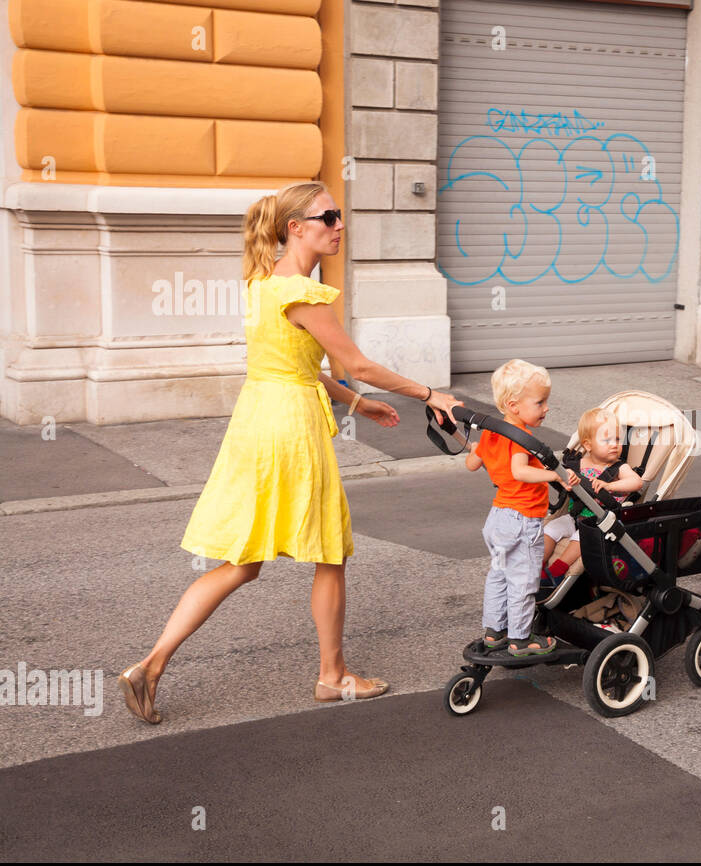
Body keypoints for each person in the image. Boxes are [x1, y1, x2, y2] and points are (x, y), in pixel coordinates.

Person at [117, 181, 461, 724]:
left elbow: (300, 367)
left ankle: (149, 666)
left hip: (258, 422)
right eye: (329, 217)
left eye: (339, 215)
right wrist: (429, 394)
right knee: (328, 551)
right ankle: (333, 675)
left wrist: (358, 404)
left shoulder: (265, 283)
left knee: (242, 561)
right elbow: (359, 363)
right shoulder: (304, 293)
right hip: (290, 430)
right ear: (296, 227)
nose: (339, 225)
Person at [464, 360, 577, 656]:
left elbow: (472, 462)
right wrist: (553, 474)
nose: (546, 408)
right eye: (539, 402)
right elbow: (520, 472)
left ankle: (495, 631)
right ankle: (520, 639)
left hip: (498, 517)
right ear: (514, 405)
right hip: (522, 519)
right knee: (523, 581)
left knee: (499, 575)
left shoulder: (491, 432)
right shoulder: (520, 439)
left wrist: (478, 450)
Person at [542, 407, 644, 583]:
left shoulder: (619, 468)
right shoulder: (576, 464)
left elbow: (637, 483)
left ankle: (558, 569)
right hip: (574, 515)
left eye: (618, 439)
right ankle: (538, 565)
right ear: (588, 445)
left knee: (581, 538)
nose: (614, 444)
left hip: (599, 522)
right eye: (607, 439)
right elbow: (561, 477)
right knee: (550, 529)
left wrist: (610, 485)